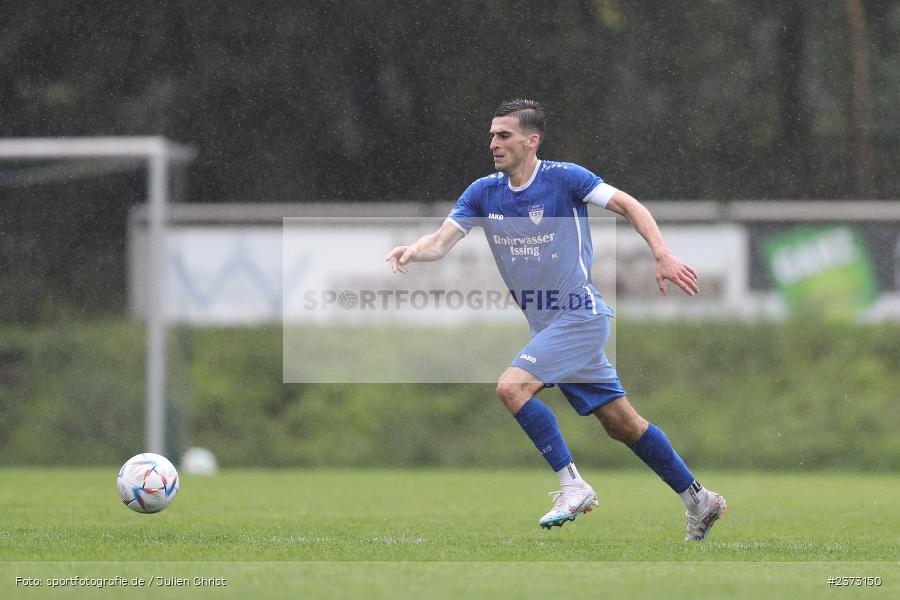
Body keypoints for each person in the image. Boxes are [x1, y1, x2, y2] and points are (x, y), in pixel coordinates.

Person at [385, 99, 726, 541]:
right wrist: (415, 249)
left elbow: (629, 205)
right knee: (623, 425)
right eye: (491, 135)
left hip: (580, 317)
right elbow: (441, 241)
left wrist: (661, 252)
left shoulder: (565, 178)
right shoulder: (483, 192)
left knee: (511, 388)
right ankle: (699, 500)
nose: (493, 143)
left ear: (532, 140)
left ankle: (572, 485)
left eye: (503, 135)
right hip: (551, 329)